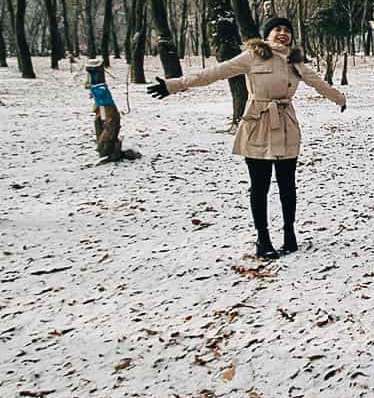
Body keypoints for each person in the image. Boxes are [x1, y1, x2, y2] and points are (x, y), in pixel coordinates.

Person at [146, 17, 346, 259]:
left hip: (286, 126)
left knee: (287, 185)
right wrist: (173, 85)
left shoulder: (296, 61)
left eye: (287, 30)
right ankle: (263, 240)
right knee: (260, 187)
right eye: (277, 29)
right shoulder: (253, 55)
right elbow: (214, 73)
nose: (283, 34)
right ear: (267, 34)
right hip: (258, 124)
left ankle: (290, 235)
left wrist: (339, 98)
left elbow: (318, 84)